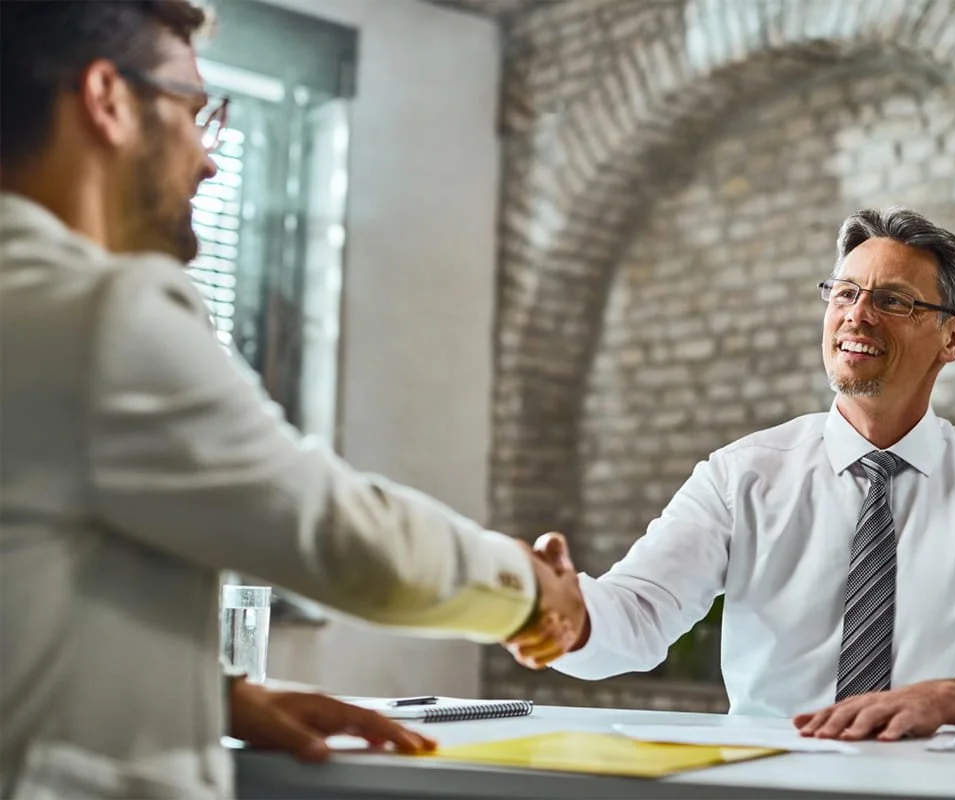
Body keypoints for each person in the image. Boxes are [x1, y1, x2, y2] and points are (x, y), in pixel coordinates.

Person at [0, 2, 574, 797]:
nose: (209, 160)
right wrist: (526, 588)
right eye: (195, 112)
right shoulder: (95, 315)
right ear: (107, 98)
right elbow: (345, 539)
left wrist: (218, 695)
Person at [507, 207, 955, 740]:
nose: (857, 315)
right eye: (844, 293)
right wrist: (570, 618)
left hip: (938, 783)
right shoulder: (740, 475)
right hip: (766, 779)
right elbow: (641, 611)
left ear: (953, 339)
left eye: (892, 300)